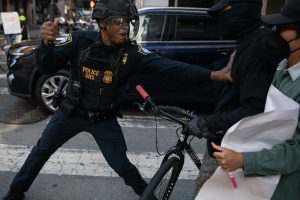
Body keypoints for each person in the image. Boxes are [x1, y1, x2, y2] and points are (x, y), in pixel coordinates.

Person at [1, 0, 232, 200]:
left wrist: (213, 75)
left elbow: (170, 68)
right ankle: (16, 191)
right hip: (70, 113)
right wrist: (46, 44)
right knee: (40, 151)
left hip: (103, 120)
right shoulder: (79, 41)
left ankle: (148, 195)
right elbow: (47, 66)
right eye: (119, 22)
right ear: (103, 23)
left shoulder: (131, 53)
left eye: (128, 23)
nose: (125, 28)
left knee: (121, 165)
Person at [188, 0, 291, 195]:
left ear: (242, 12)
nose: (222, 21)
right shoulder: (248, 42)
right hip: (226, 138)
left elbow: (254, 107)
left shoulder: (259, 48)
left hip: (236, 147)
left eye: (225, 13)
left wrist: (210, 123)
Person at [212, 1, 300, 199]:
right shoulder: (281, 70)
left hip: (286, 188)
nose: (275, 32)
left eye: (284, 27)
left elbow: (297, 150)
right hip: (261, 183)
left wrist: (244, 160)